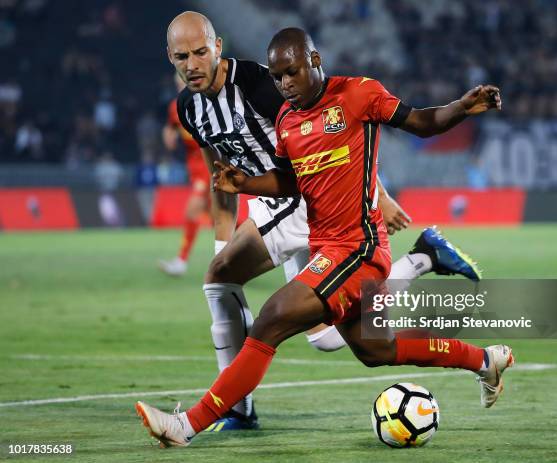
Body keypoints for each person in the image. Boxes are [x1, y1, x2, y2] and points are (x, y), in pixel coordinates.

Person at [135, 27, 513, 447]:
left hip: (358, 248)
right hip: (326, 246)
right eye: (278, 78)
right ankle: (485, 360)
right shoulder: (287, 119)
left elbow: (420, 121)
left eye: (291, 73)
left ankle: (185, 426)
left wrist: (461, 106)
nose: (285, 85)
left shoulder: (358, 93)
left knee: (271, 319)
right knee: (376, 350)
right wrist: (243, 183)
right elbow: (288, 182)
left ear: (314, 61)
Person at [158, 73, 211, 276]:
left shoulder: (205, 102)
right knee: (219, 215)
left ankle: (181, 261)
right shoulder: (175, 107)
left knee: (193, 210)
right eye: (178, 82)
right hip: (194, 166)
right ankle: (263, 242)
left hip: (210, 163)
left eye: (183, 81)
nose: (181, 85)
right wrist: (168, 135)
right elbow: (171, 127)